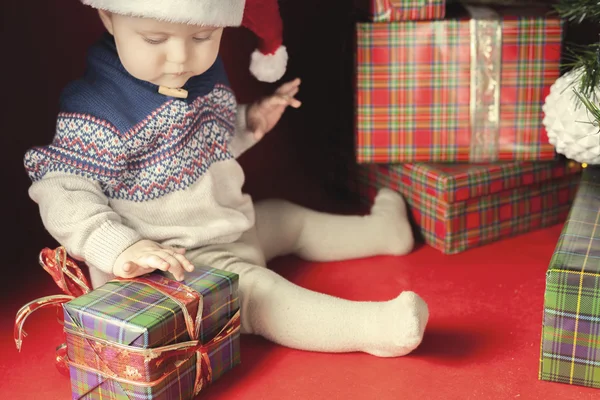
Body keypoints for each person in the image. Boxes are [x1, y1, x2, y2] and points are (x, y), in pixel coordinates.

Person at [24, 0, 429, 357]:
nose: (181, 57)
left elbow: (200, 144)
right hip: (174, 266)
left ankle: (383, 230)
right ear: (108, 15)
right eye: (153, 38)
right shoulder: (98, 109)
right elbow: (62, 191)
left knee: (288, 219)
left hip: (226, 227)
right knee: (261, 295)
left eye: (203, 34)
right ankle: (371, 329)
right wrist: (123, 248)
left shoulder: (201, 76)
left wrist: (248, 121)